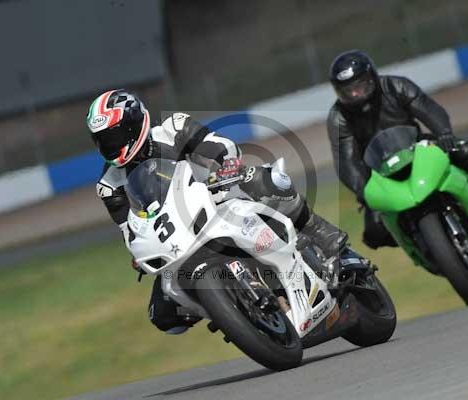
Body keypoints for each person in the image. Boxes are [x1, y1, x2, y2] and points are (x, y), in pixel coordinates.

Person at [86, 89, 348, 333]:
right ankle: (230, 310)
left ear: (135, 124)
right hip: (178, 233)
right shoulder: (109, 186)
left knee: (263, 179)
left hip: (219, 195)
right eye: (102, 140)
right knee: (162, 314)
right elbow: (129, 230)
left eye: (114, 136)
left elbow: (217, 144)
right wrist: (137, 254)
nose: (109, 145)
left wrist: (227, 164)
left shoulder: (172, 128)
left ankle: (323, 234)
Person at [326, 50, 468, 249]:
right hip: (379, 169)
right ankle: (419, 242)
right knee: (374, 233)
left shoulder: (396, 86)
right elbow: (345, 160)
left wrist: (444, 133)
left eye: (359, 86)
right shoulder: (338, 117)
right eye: (347, 91)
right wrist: (362, 189)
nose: (354, 94)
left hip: (419, 147)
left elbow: (428, 108)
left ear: (371, 78)